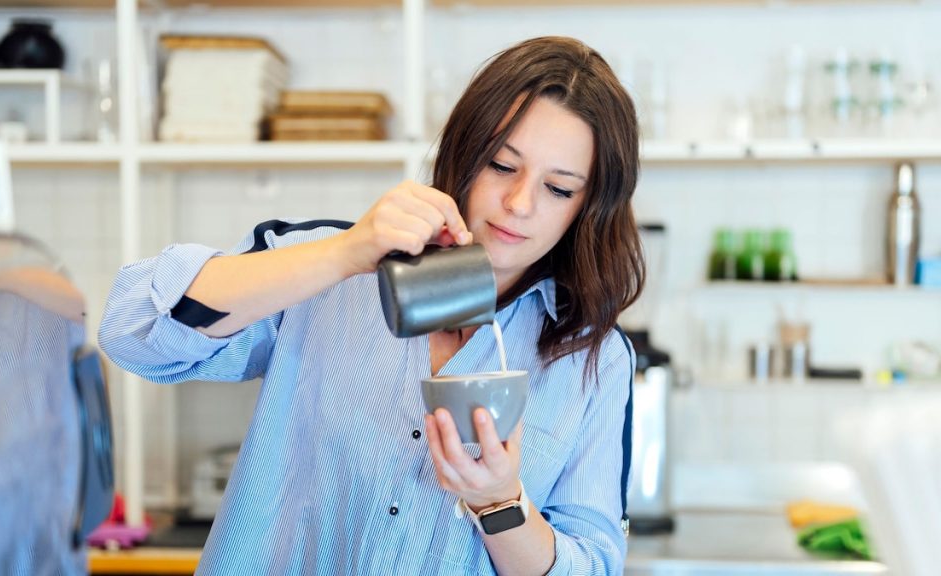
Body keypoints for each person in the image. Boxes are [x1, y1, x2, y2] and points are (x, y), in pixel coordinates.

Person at [100, 35, 645, 575]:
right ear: (465, 150)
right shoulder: (333, 268)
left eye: (558, 189)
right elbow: (133, 330)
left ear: (587, 207)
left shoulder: (593, 358)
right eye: (502, 166)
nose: (519, 204)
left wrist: (500, 504)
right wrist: (342, 254)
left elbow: (590, 565)